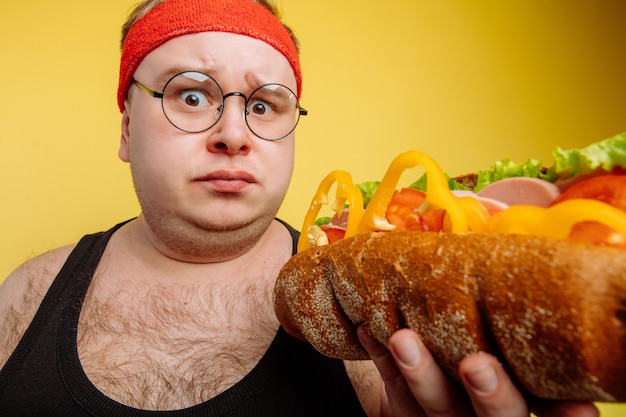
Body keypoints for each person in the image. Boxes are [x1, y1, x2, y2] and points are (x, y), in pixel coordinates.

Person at [0, 0, 600, 415]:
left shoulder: (375, 310)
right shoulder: (23, 296)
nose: (233, 133)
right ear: (128, 130)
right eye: (190, 94)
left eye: (264, 105)